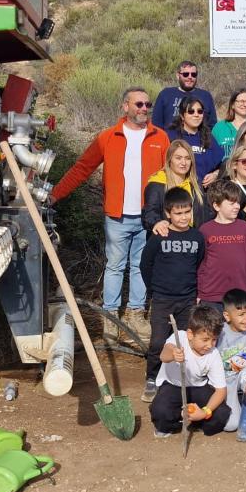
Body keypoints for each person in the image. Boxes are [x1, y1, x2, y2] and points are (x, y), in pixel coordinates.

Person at [52, 87, 168, 340]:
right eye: (139, 104)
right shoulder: (108, 137)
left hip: (148, 217)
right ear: (125, 106)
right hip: (117, 216)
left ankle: (136, 313)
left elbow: (171, 174)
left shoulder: (160, 137)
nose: (144, 109)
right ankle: (111, 315)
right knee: (115, 266)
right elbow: (82, 168)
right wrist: (55, 195)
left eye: (147, 105)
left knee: (140, 266)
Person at [139, 188, 206, 403]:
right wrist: (153, 290)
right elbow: (145, 264)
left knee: (185, 340)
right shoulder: (159, 236)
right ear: (168, 213)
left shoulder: (197, 237)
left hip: (187, 299)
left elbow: (199, 264)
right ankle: (152, 378)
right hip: (162, 299)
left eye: (187, 212)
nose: (183, 217)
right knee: (158, 341)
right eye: (178, 213)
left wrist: (196, 292)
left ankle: (181, 377)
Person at [150, 305, 231, 438]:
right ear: (190, 334)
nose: (209, 345)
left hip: (198, 387)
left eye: (214, 340)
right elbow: (164, 355)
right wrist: (173, 354)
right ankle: (179, 418)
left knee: (222, 414)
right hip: (173, 385)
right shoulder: (179, 337)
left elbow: (221, 390)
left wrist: (205, 412)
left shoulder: (213, 354)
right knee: (161, 411)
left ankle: (196, 419)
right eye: (205, 340)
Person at [197, 180, 246, 308]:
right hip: (211, 296)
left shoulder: (245, 228)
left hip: (239, 296)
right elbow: (200, 265)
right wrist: (199, 292)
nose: (237, 206)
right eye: (232, 203)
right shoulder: (205, 229)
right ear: (216, 206)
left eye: (238, 202)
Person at [216, 288, 246, 435]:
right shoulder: (220, 332)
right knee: (230, 425)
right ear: (227, 316)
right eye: (241, 314)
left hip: (244, 372)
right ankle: (235, 401)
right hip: (224, 380)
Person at [142, 140, 207, 235]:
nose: (183, 163)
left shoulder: (195, 185)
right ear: (169, 160)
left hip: (192, 237)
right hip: (167, 238)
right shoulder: (157, 184)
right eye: (178, 158)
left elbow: (204, 215)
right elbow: (149, 214)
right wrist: (157, 223)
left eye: (187, 158)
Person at [165, 96, 223, 187]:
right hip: (179, 189)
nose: (196, 115)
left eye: (200, 111)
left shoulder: (208, 137)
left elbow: (221, 163)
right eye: (191, 111)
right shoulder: (171, 136)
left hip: (204, 190)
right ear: (182, 116)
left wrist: (215, 174)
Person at [153, 60, 216, 131]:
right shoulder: (166, 94)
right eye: (186, 74)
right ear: (178, 75)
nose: (190, 77)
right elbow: (156, 124)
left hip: (199, 137)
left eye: (193, 74)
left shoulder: (205, 96)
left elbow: (212, 125)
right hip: (170, 137)